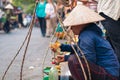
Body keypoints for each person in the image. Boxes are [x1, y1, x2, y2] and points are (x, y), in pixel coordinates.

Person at [50, 4, 119, 80]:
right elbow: (80, 48)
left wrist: (67, 58)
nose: (71, 28)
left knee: (73, 61)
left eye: (72, 25)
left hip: (110, 75)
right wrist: (62, 47)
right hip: (109, 73)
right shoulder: (90, 32)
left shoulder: (87, 36)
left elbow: (87, 60)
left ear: (81, 24)